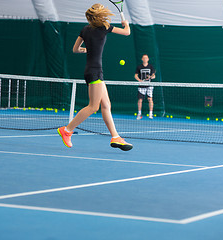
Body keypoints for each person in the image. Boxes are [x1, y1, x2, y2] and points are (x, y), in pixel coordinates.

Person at [57, 3, 133, 151]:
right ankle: (66, 130)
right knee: (93, 107)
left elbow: (75, 49)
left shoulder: (84, 30)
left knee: (106, 105)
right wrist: (126, 24)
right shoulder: (104, 26)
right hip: (95, 72)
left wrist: (87, 49)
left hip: (91, 71)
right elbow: (127, 32)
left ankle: (115, 137)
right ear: (100, 15)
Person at [135, 54, 156, 120]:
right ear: (142, 59)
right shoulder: (139, 67)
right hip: (141, 86)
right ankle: (139, 113)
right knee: (140, 100)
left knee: (150, 99)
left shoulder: (150, 66)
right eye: (144, 58)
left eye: (146, 58)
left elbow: (153, 76)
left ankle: (150, 114)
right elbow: (136, 75)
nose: (145, 59)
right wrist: (139, 80)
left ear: (148, 59)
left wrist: (152, 77)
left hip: (149, 85)